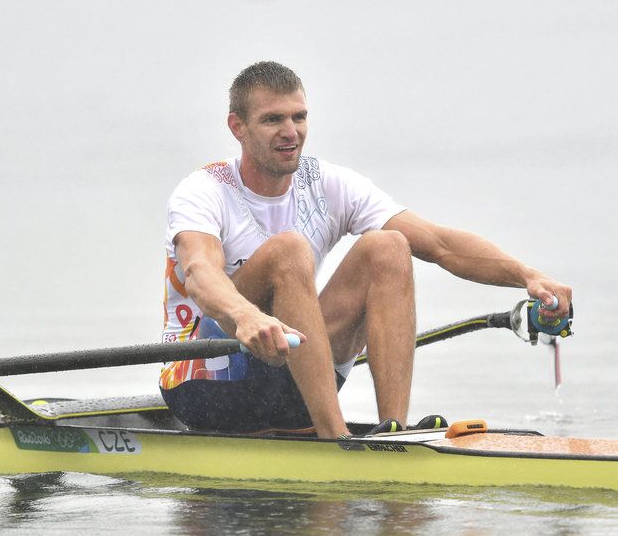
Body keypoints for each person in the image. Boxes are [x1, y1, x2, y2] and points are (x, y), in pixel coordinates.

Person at [159, 61, 572, 439]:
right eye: (272, 120)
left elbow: (441, 245)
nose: (290, 131)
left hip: (292, 377)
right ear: (238, 127)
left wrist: (528, 276)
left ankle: (393, 431)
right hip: (206, 381)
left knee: (390, 245)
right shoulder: (205, 190)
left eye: (299, 117)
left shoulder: (329, 184)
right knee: (289, 250)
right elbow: (199, 273)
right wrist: (245, 315)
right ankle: (335, 438)